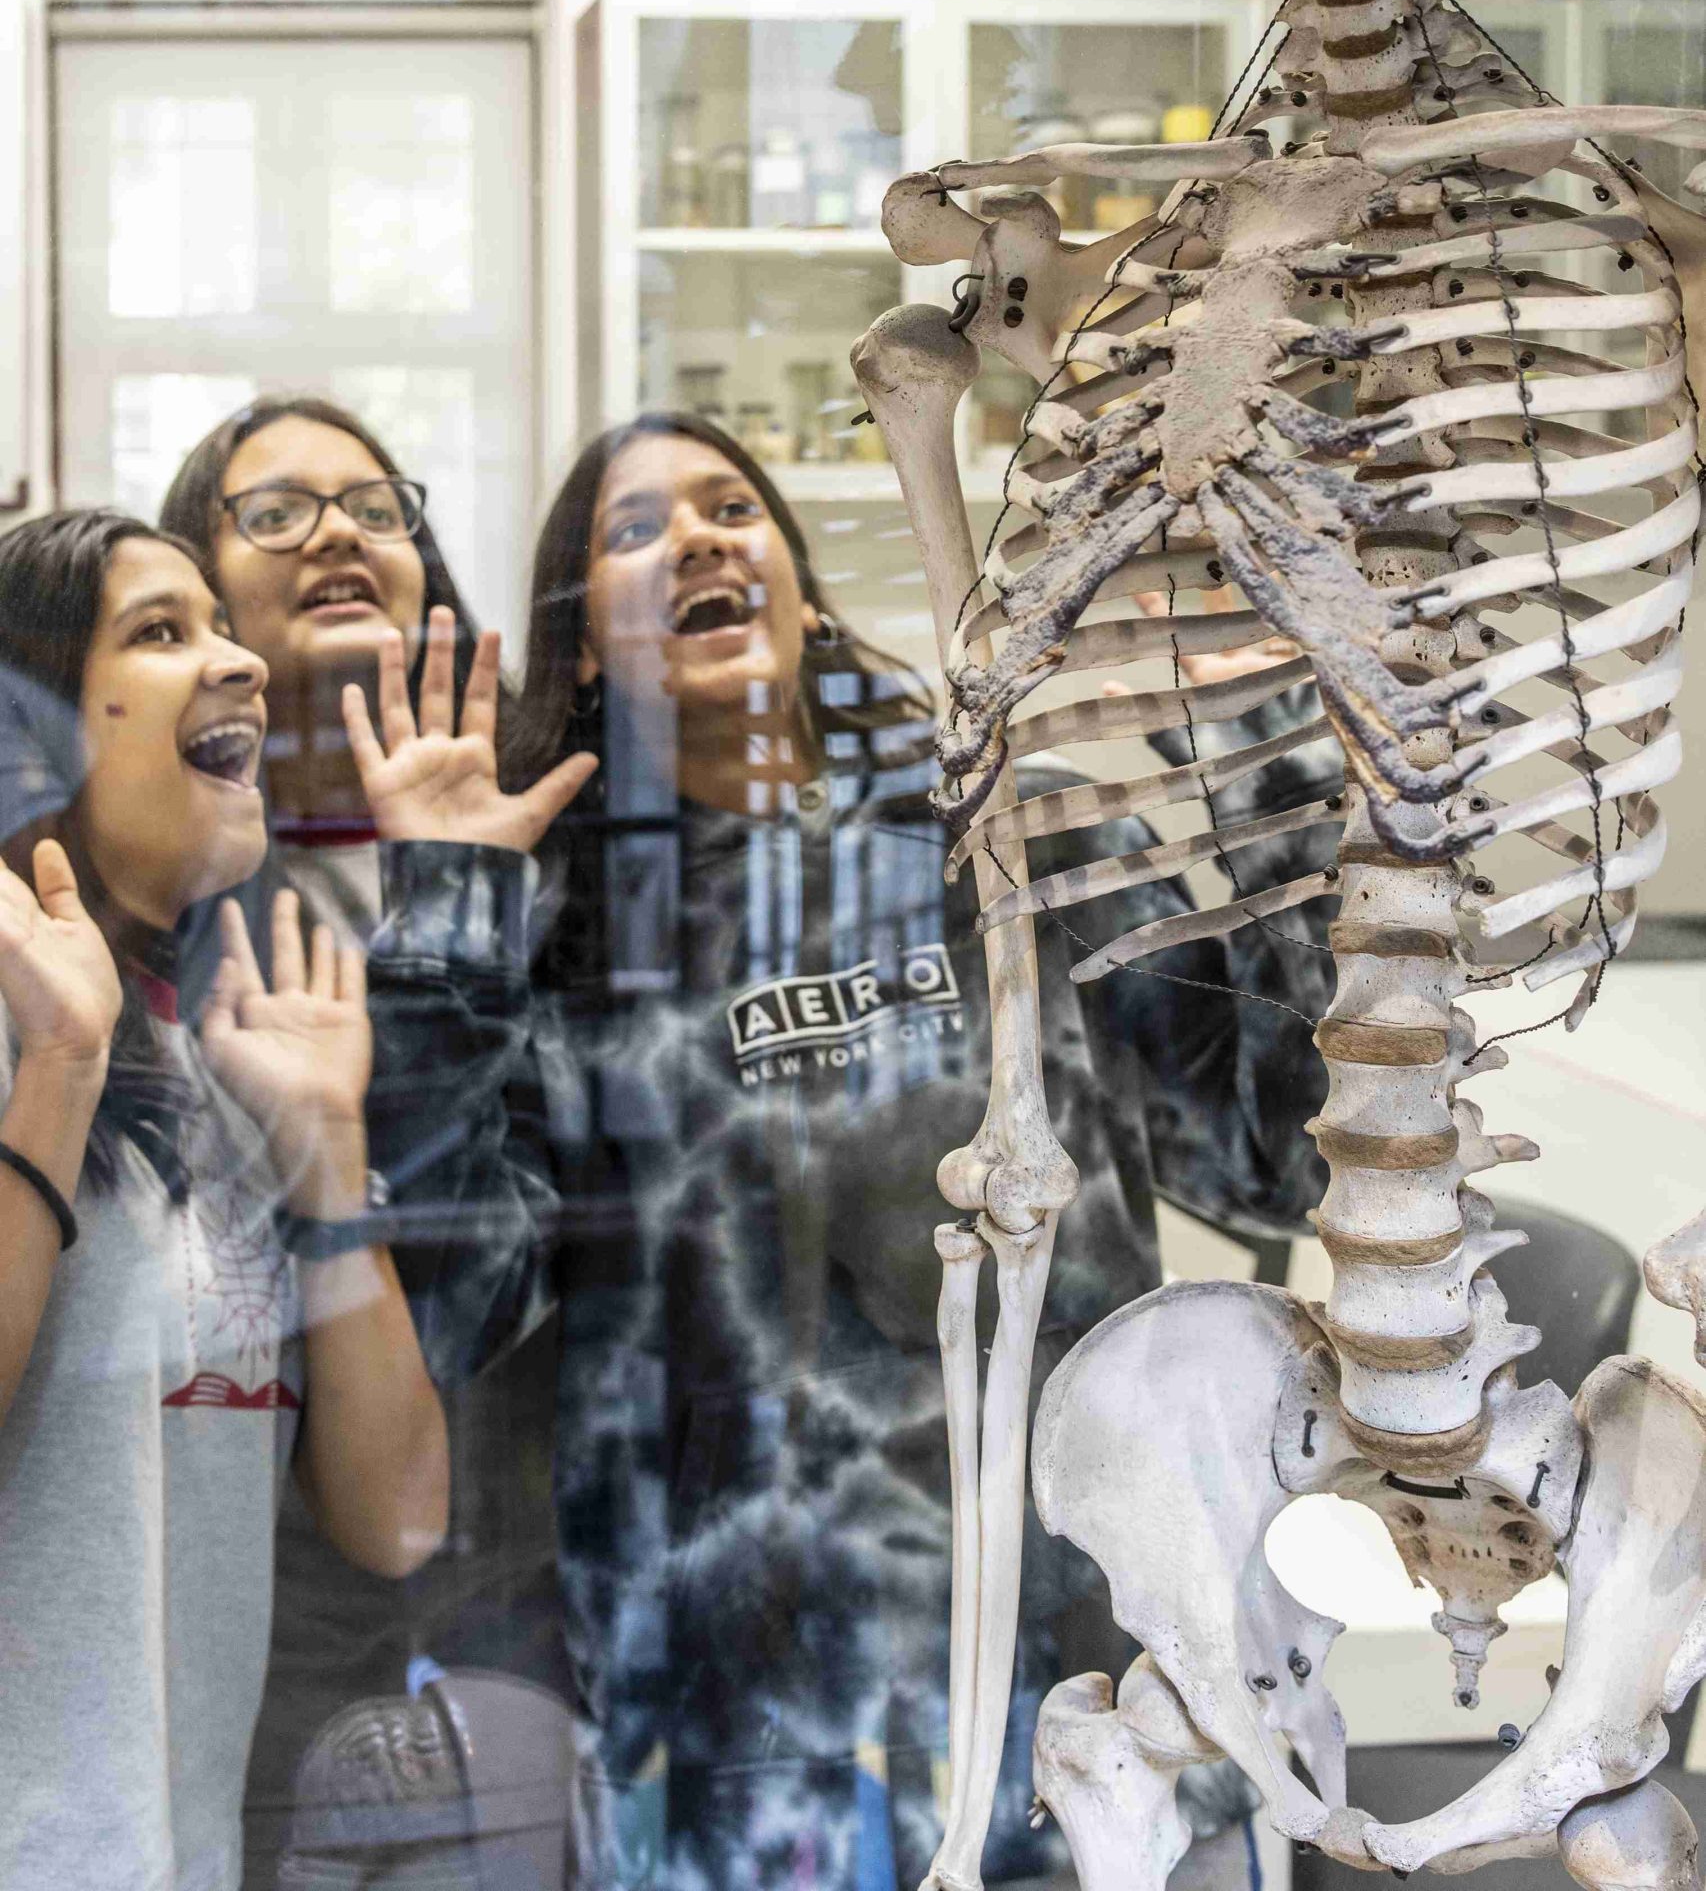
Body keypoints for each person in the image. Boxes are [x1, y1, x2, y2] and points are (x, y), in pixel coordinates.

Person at [402, 409, 1339, 1891]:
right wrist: (440, 922)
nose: (699, 539)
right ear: (580, 651)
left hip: (1121, 1702)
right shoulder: (565, 928)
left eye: (730, 509)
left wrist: (1268, 767)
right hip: (744, 1748)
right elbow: (458, 1305)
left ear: (798, 582)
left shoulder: (1010, 841)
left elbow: (1270, 1162)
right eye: (636, 531)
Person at [159, 395, 595, 1886]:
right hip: (243, 1622)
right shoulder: (143, 902)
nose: (338, 531)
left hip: (525, 1612)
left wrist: (463, 895)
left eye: (374, 504)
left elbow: (482, 1291)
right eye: (272, 510)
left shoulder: (568, 861)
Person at [0, 507, 449, 1889]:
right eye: (159, 631)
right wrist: (60, 1066)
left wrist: (325, 1159)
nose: (239, 663)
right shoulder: (35, 1039)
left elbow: (396, 1524)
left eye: (220, 624)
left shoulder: (217, 1070)